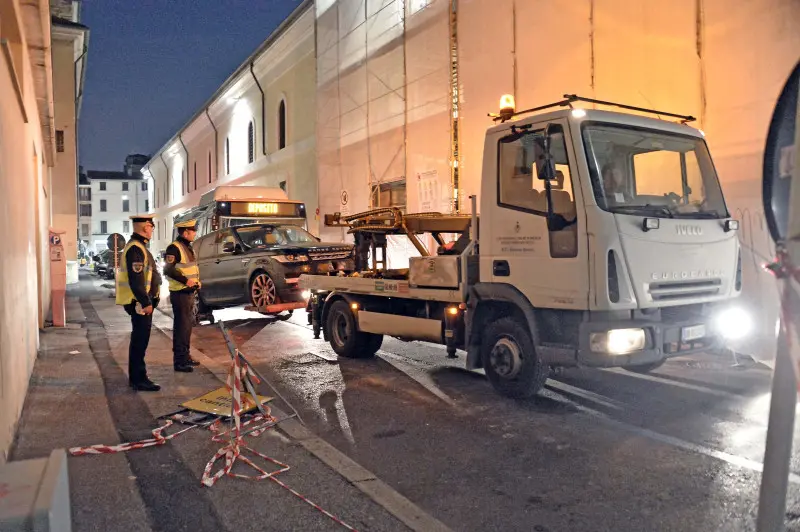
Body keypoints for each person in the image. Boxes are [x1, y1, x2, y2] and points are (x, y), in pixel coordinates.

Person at [115, 214, 162, 392]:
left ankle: (138, 377)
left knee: (140, 340)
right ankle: (138, 379)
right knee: (139, 341)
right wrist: (145, 301)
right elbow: (136, 280)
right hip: (138, 303)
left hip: (141, 302)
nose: (151, 230)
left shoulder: (139, 246)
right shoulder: (136, 248)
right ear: (145, 227)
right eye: (151, 227)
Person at [163, 219, 201, 372]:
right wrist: (187, 281)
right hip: (180, 293)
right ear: (185, 232)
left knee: (186, 327)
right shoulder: (174, 248)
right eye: (193, 231)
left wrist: (196, 282)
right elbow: (168, 270)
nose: (195, 233)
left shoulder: (187, 247)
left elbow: (190, 269)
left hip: (188, 293)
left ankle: (186, 356)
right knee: (181, 327)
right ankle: (179, 362)